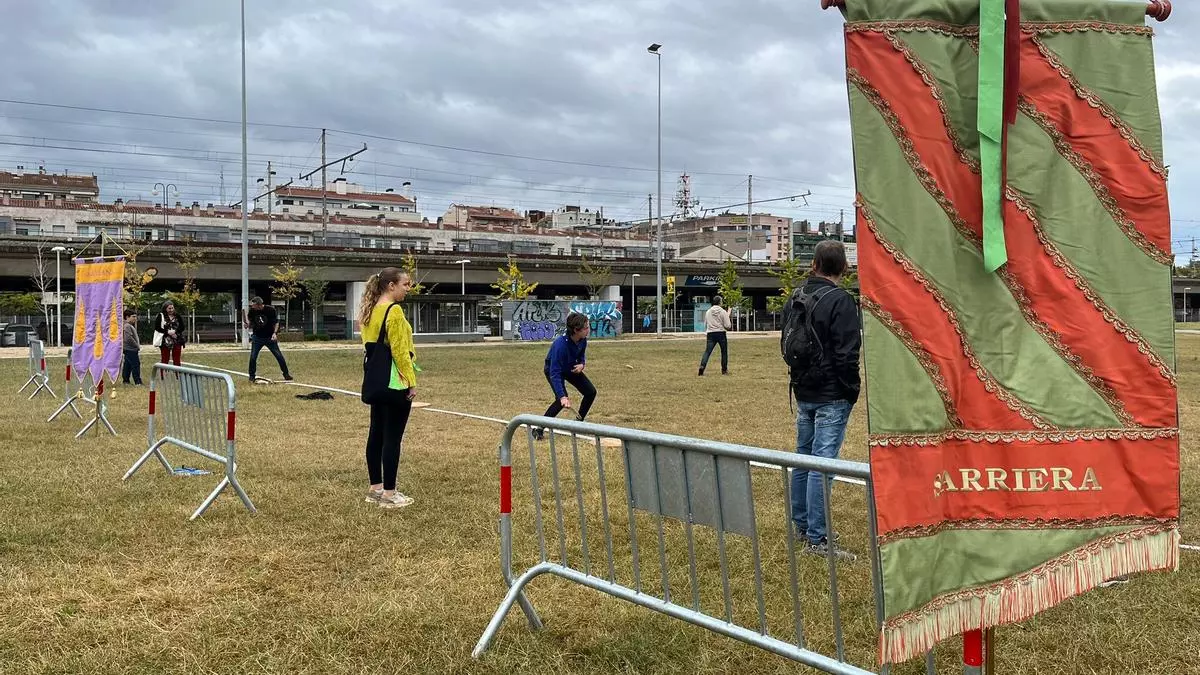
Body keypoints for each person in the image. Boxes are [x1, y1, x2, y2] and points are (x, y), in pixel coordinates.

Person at [789, 240, 860, 561]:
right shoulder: (841, 301)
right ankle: (817, 539)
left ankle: (802, 525)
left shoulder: (797, 296)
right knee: (822, 464)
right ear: (843, 267)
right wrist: (851, 389)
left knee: (804, 459)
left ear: (814, 263)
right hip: (832, 393)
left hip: (803, 388)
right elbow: (847, 354)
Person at [358, 267, 418, 509]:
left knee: (376, 434)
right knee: (392, 438)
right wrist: (411, 382)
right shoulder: (394, 311)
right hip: (395, 381)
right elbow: (400, 351)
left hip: (376, 379)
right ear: (391, 285)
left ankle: (375, 487)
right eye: (405, 284)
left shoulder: (370, 309)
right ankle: (390, 494)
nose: (408, 289)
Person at [532, 312, 594, 441]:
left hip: (571, 368)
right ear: (576, 330)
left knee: (590, 392)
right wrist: (562, 396)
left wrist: (582, 364)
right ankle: (539, 428)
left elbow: (581, 354)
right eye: (586, 327)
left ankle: (578, 423)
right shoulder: (560, 345)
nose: (589, 329)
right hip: (554, 370)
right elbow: (555, 373)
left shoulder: (582, 339)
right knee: (560, 401)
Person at [244, 296, 293, 383]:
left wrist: (274, 333)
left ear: (259, 305)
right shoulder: (252, 311)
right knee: (253, 357)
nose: (251, 306)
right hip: (257, 338)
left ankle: (286, 374)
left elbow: (276, 323)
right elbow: (250, 321)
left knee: (279, 356)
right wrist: (247, 324)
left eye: (253, 305)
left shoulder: (270, 310)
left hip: (269, 337)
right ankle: (252, 376)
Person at [698, 295, 732, 376]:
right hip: (721, 333)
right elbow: (728, 325)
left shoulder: (708, 312)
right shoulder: (723, 311)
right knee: (724, 352)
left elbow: (705, 324)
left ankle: (702, 367)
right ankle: (724, 370)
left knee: (707, 352)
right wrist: (728, 314)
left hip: (710, 333)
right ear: (720, 302)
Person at [154, 301, 185, 366]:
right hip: (165, 341)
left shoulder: (177, 316)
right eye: (169, 308)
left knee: (177, 360)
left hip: (177, 340)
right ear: (165, 308)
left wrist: (175, 332)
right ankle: (163, 375)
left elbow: (182, 327)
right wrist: (168, 332)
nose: (171, 310)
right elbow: (157, 328)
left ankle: (178, 375)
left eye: (172, 308)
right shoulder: (161, 316)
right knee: (165, 359)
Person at [121, 309, 142, 385]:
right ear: (127, 317)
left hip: (128, 349)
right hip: (131, 349)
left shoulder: (128, 326)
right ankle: (137, 381)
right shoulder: (127, 326)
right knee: (135, 365)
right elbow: (128, 338)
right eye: (133, 316)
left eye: (136, 317)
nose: (135, 318)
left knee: (127, 365)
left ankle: (126, 380)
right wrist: (136, 346)